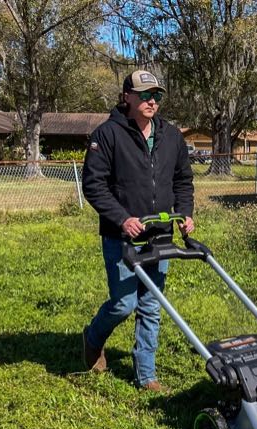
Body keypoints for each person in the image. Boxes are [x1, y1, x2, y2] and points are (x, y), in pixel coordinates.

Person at [81, 70, 195, 392]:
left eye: (156, 96)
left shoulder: (171, 136)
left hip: (160, 234)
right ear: (127, 96)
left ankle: (146, 376)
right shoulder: (107, 135)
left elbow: (183, 181)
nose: (151, 102)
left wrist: (184, 214)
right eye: (145, 95)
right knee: (123, 303)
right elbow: (94, 185)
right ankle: (92, 338)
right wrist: (122, 218)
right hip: (123, 236)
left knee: (151, 305)